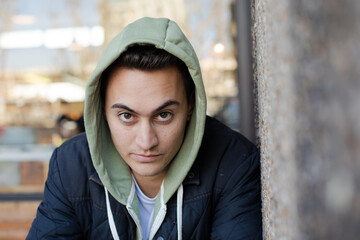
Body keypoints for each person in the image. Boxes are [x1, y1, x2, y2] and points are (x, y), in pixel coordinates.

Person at [27, 17, 262, 239]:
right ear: (101, 110)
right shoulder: (72, 166)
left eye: (163, 115)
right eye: (127, 116)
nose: (146, 141)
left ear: (191, 105)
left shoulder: (233, 162)